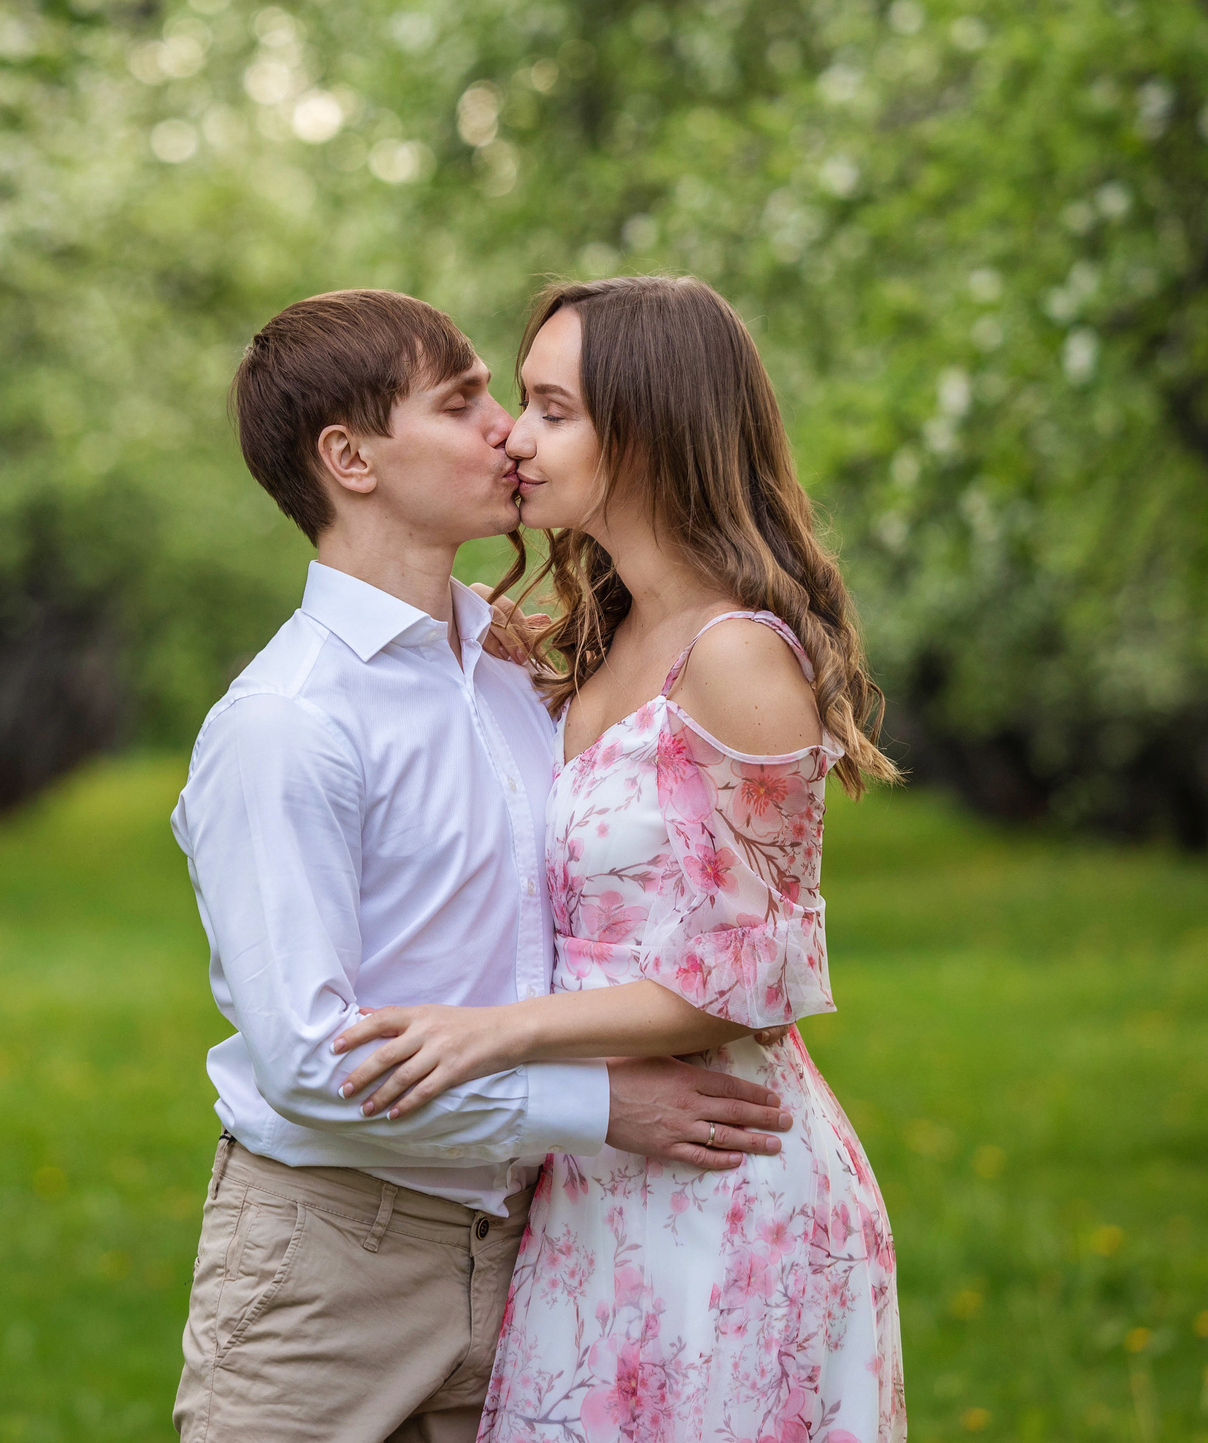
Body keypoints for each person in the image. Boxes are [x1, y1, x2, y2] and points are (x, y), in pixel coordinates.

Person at [171, 288, 798, 1443]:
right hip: (330, 1266)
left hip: (532, 1243)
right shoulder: (288, 722)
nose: (505, 428)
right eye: (463, 403)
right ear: (350, 458)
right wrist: (600, 1105)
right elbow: (312, 1062)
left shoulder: (519, 667)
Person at [330, 276, 908, 1443]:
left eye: (552, 409)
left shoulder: (736, 658)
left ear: (648, 426)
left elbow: (756, 979)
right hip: (596, 1181)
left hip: (727, 1187)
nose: (514, 437)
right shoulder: (600, 638)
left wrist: (489, 1033)